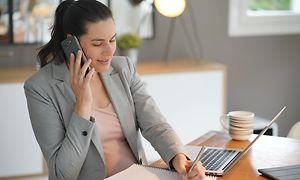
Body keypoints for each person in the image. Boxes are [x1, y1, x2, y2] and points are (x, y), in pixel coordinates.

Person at [24, 0, 206, 179]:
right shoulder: (41, 88)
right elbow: (63, 174)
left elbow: (155, 125)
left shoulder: (123, 68)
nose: (109, 51)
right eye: (97, 43)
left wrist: (179, 158)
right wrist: (82, 105)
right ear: (72, 43)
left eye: (112, 39)